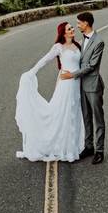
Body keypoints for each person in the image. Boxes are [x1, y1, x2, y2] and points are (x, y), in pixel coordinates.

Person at [14, 21, 84, 161]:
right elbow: (45, 60)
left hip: (77, 84)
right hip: (66, 85)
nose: (72, 29)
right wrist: (32, 72)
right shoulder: (59, 47)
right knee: (64, 114)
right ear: (63, 33)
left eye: (72, 27)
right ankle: (63, 148)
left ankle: (73, 146)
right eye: (69, 28)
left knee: (74, 114)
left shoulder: (78, 45)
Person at [60, 11, 105, 164]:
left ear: (86, 23)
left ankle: (99, 150)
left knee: (98, 119)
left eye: (79, 23)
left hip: (93, 85)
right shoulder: (81, 40)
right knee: (86, 118)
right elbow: (78, 61)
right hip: (81, 86)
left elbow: (91, 66)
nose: (77, 25)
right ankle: (88, 146)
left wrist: (72, 75)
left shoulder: (99, 41)